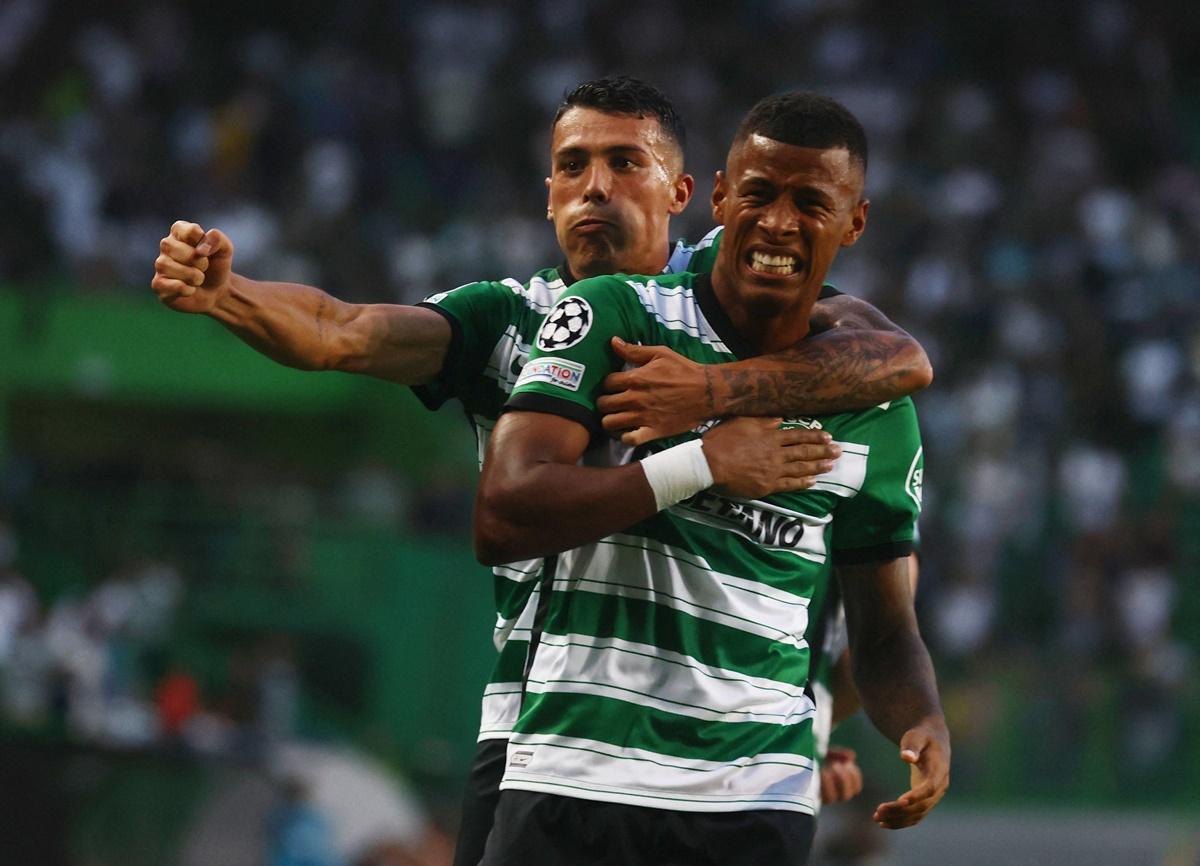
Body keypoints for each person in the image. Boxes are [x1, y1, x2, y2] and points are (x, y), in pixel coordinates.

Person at [150, 77, 933, 864]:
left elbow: (894, 363)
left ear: (687, 194)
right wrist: (232, 295)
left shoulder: (743, 301)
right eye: (572, 165)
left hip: (732, 763)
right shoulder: (508, 320)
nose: (596, 186)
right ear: (547, 194)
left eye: (625, 162)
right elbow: (340, 330)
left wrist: (710, 392)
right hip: (542, 723)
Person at [473, 90, 949, 865]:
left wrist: (922, 720)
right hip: (575, 778)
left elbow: (887, 631)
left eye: (811, 203)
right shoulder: (614, 318)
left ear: (854, 223)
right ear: (721, 198)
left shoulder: (874, 410)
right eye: (758, 194)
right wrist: (701, 463)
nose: (779, 223)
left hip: (755, 805)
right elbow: (503, 515)